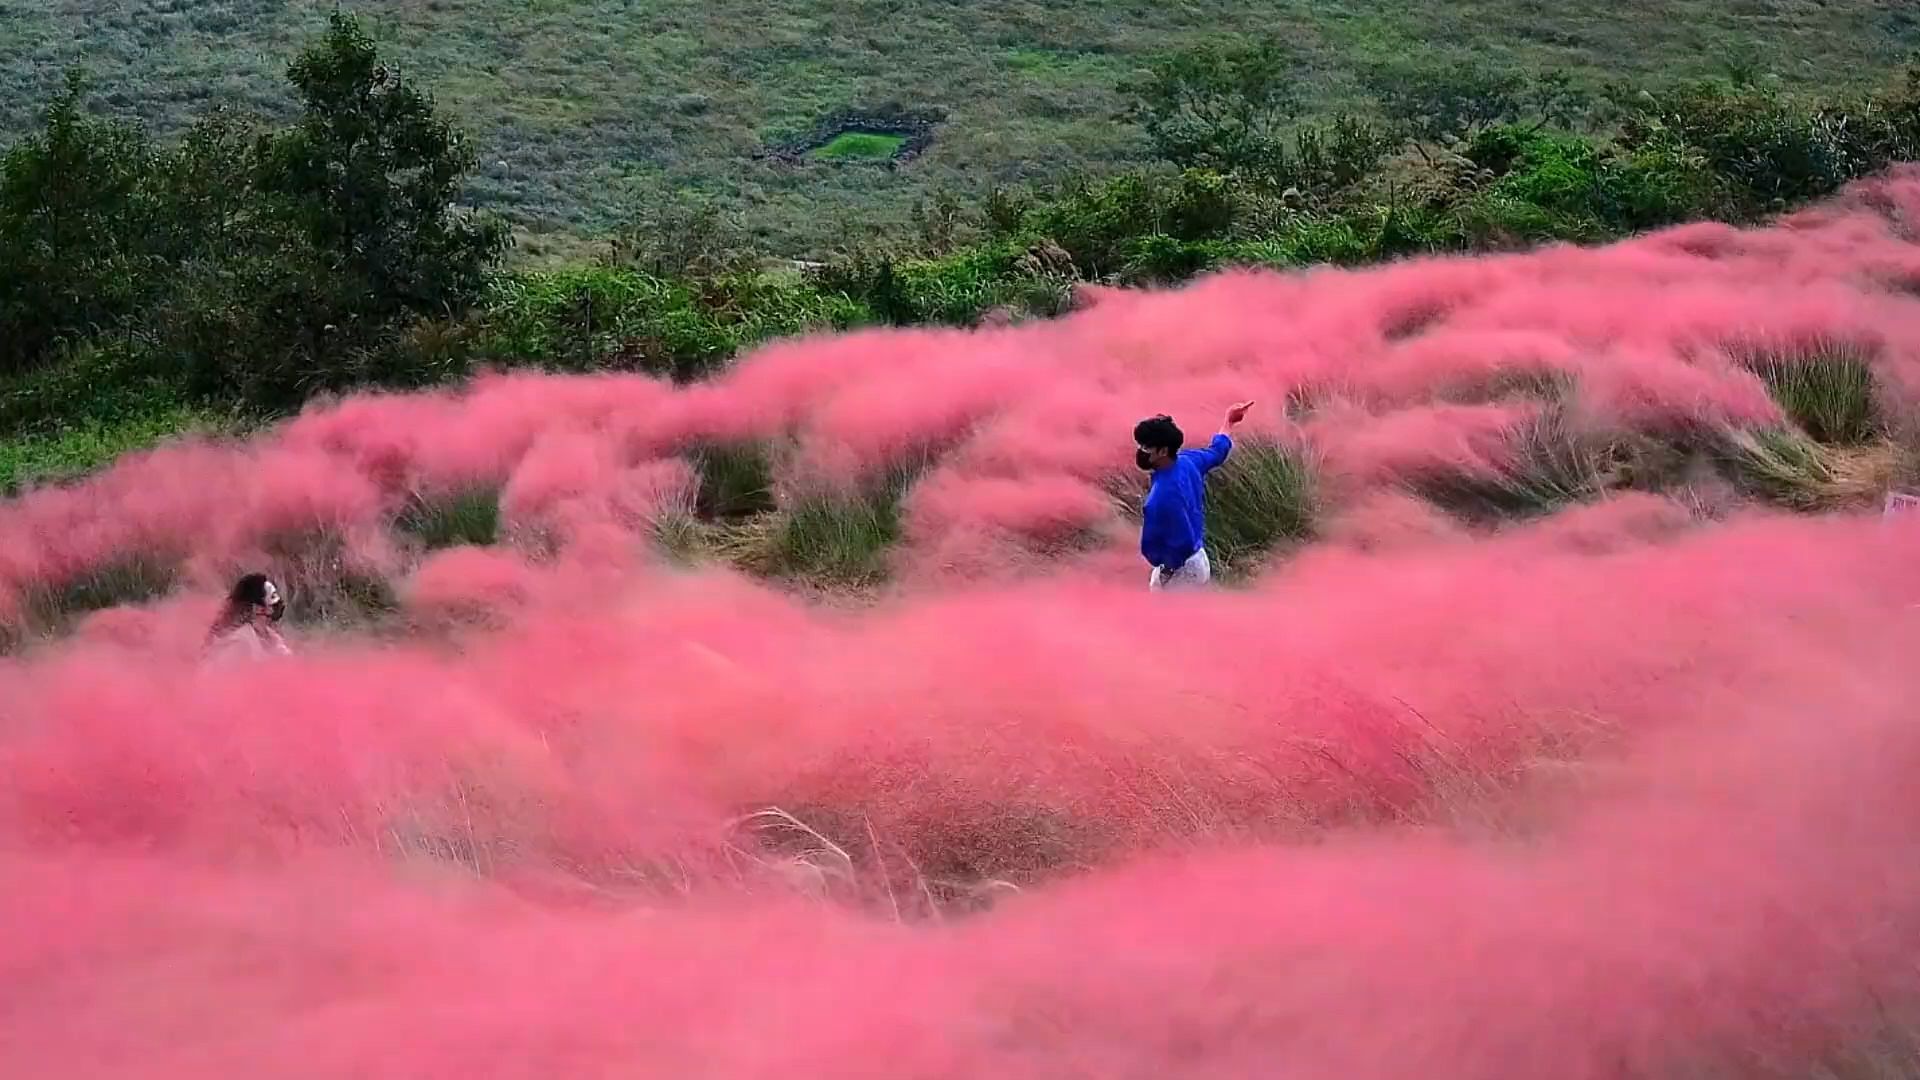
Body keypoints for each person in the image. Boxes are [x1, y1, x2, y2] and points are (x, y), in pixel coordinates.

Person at [1134, 401, 1255, 591]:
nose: (1140, 451)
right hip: (1199, 560)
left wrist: (1166, 571)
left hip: (1181, 572)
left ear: (1163, 451)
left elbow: (1178, 543)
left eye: (1146, 448)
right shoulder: (1187, 461)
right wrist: (1228, 422)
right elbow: (1217, 452)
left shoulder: (1160, 498)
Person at [204, 572, 293, 661]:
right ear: (257, 608)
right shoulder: (239, 644)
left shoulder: (272, 638)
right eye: (273, 597)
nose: (278, 602)